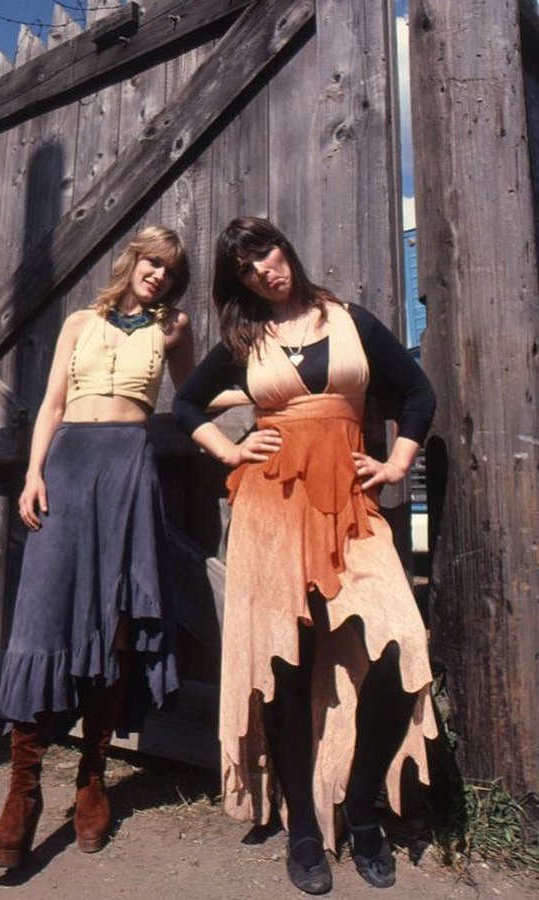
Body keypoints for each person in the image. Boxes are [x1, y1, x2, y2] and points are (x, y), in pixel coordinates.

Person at [172, 217, 438, 894]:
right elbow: (185, 403)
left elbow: (417, 392)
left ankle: (361, 805)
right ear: (240, 282)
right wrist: (231, 450)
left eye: (266, 250)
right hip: (269, 511)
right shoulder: (245, 339)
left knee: (398, 648)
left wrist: (398, 460)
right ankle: (303, 833)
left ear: (286, 246)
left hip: (349, 507)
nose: (264, 268)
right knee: (285, 665)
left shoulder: (348, 320)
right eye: (246, 266)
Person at [0, 225, 195, 869]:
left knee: (118, 624)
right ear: (133, 262)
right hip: (69, 465)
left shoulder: (174, 329)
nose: (158, 274)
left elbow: (192, 403)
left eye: (169, 269)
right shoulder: (80, 322)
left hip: (128, 471)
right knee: (42, 616)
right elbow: (50, 405)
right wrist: (33, 473)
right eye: (151, 262)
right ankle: (23, 790)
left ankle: (93, 777)